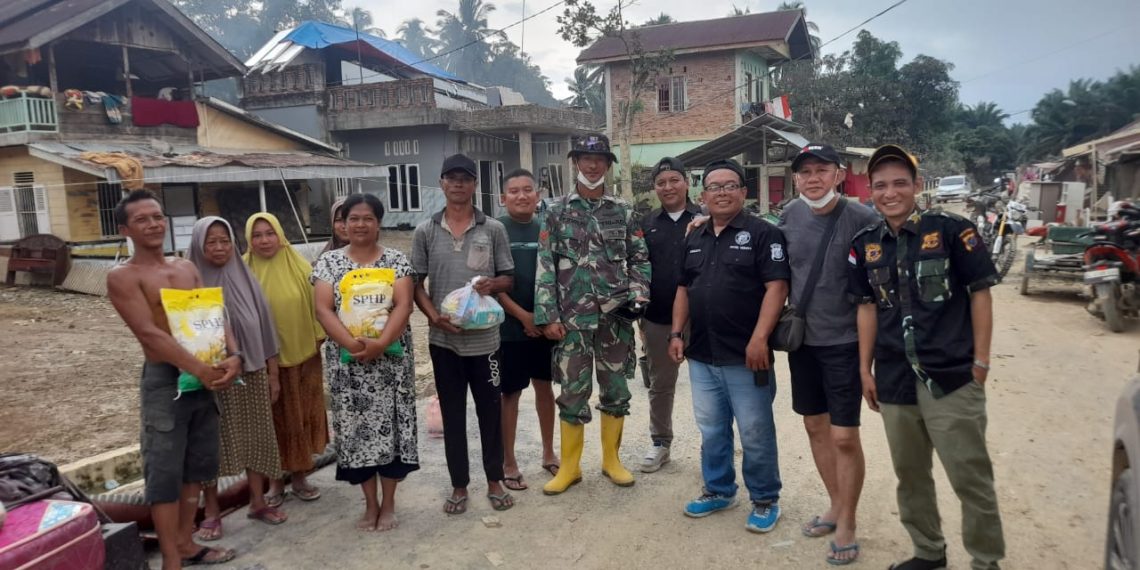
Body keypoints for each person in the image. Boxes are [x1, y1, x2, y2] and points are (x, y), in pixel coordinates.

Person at [849, 144, 1004, 570]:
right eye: (880, 185)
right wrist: (865, 368)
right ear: (870, 190)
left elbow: (980, 294)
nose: (890, 192)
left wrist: (982, 362)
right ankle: (928, 551)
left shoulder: (954, 231)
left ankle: (986, 559)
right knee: (911, 475)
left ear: (917, 186)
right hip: (896, 376)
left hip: (951, 374)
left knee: (969, 476)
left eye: (900, 183)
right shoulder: (866, 245)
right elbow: (865, 306)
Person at [106, 190, 239, 568]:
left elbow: (215, 314)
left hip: (205, 376)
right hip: (166, 382)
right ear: (125, 229)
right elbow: (149, 334)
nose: (153, 224)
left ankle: (186, 541)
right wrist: (197, 368)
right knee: (164, 474)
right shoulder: (123, 277)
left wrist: (234, 355)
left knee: (196, 468)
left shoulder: (185, 268)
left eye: (158, 216)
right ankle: (170, 559)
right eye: (142, 219)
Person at [667, 158, 789, 534]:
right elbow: (684, 288)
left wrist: (759, 338)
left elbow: (777, 287)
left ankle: (766, 498)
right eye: (714, 187)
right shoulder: (694, 235)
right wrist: (675, 333)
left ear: (743, 192)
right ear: (703, 196)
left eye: (729, 185)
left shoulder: (764, 234)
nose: (721, 192)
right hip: (702, 354)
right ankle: (719, 490)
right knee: (712, 427)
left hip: (747, 356)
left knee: (755, 430)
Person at [778, 143, 880, 565]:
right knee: (815, 427)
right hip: (804, 342)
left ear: (839, 174)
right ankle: (836, 505)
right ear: (796, 178)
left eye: (821, 170)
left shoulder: (863, 217)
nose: (813, 178)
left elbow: (876, 289)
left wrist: (867, 362)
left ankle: (849, 522)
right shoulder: (788, 215)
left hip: (844, 343)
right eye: (805, 172)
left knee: (844, 435)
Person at [535, 133, 650, 495]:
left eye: (600, 158)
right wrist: (548, 315)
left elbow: (640, 259)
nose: (592, 164)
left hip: (615, 319)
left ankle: (611, 461)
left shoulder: (624, 211)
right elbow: (545, 266)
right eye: (585, 157)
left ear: (609, 164)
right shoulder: (555, 212)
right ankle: (570, 467)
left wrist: (638, 295)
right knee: (572, 391)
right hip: (572, 319)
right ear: (575, 162)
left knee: (616, 388)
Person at [412, 153, 516, 514]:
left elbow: (509, 278)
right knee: (453, 415)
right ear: (441, 183)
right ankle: (459, 485)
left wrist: (493, 283)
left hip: (485, 342)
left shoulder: (493, 229)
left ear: (474, 184)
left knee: (490, 413)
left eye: (465, 179)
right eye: (451, 178)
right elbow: (415, 284)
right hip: (444, 342)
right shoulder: (425, 230)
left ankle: (494, 479)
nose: (458, 184)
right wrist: (434, 317)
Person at [313, 193, 419, 531]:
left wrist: (382, 343)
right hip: (349, 369)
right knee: (357, 435)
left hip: (391, 367)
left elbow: (403, 305)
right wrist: (352, 344)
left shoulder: (396, 261)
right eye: (353, 218)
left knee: (392, 433)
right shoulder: (328, 263)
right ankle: (369, 504)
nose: (360, 225)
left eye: (367, 218)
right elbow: (323, 309)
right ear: (343, 223)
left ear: (378, 222)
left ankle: (388, 504)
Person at [187, 217, 287, 541]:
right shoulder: (189, 282)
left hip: (253, 371)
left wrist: (273, 374)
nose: (219, 248)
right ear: (199, 246)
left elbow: (267, 327)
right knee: (211, 444)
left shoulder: (246, 278)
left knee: (255, 436)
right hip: (210, 377)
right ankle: (212, 510)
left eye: (225, 240)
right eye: (211, 242)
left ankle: (258, 501)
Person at [244, 213, 329, 505]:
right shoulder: (242, 271)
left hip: (303, 355)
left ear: (280, 234)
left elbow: (318, 306)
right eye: (257, 235)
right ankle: (275, 482)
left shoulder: (299, 265)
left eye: (270, 233)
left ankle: (301, 478)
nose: (265, 240)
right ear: (248, 240)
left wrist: (318, 340)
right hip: (261, 363)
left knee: (301, 417)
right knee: (270, 422)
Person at [496, 168, 560, 491]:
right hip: (508, 328)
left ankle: (549, 453)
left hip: (545, 326)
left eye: (528, 190)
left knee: (545, 389)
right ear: (502, 197)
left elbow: (558, 275)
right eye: (514, 191)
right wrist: (523, 317)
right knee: (510, 394)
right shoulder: (495, 230)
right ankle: (509, 461)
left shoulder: (546, 228)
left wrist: (544, 318)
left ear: (538, 195)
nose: (522, 196)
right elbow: (493, 283)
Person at [638, 157, 700, 473]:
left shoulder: (705, 218)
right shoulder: (646, 224)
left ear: (687, 183)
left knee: (711, 384)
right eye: (661, 182)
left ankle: (716, 445)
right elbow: (637, 269)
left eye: (674, 180)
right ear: (655, 188)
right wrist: (640, 318)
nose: (668, 187)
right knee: (661, 384)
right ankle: (661, 442)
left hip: (702, 318)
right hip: (658, 317)